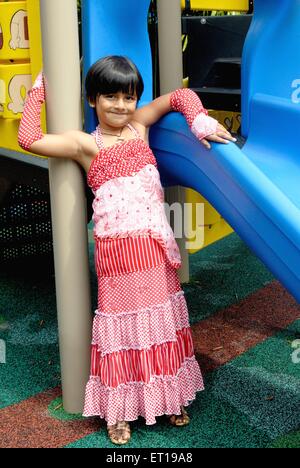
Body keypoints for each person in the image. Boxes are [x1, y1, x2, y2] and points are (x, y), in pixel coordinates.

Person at [18, 55, 236, 445]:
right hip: (117, 255)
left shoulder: (139, 127)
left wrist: (199, 118)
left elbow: (181, 95)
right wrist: (39, 91)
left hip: (154, 248)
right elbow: (29, 139)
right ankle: (118, 411)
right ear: (92, 100)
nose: (120, 105)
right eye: (110, 97)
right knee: (121, 329)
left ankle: (168, 396)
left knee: (161, 322)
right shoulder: (86, 144)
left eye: (128, 96)